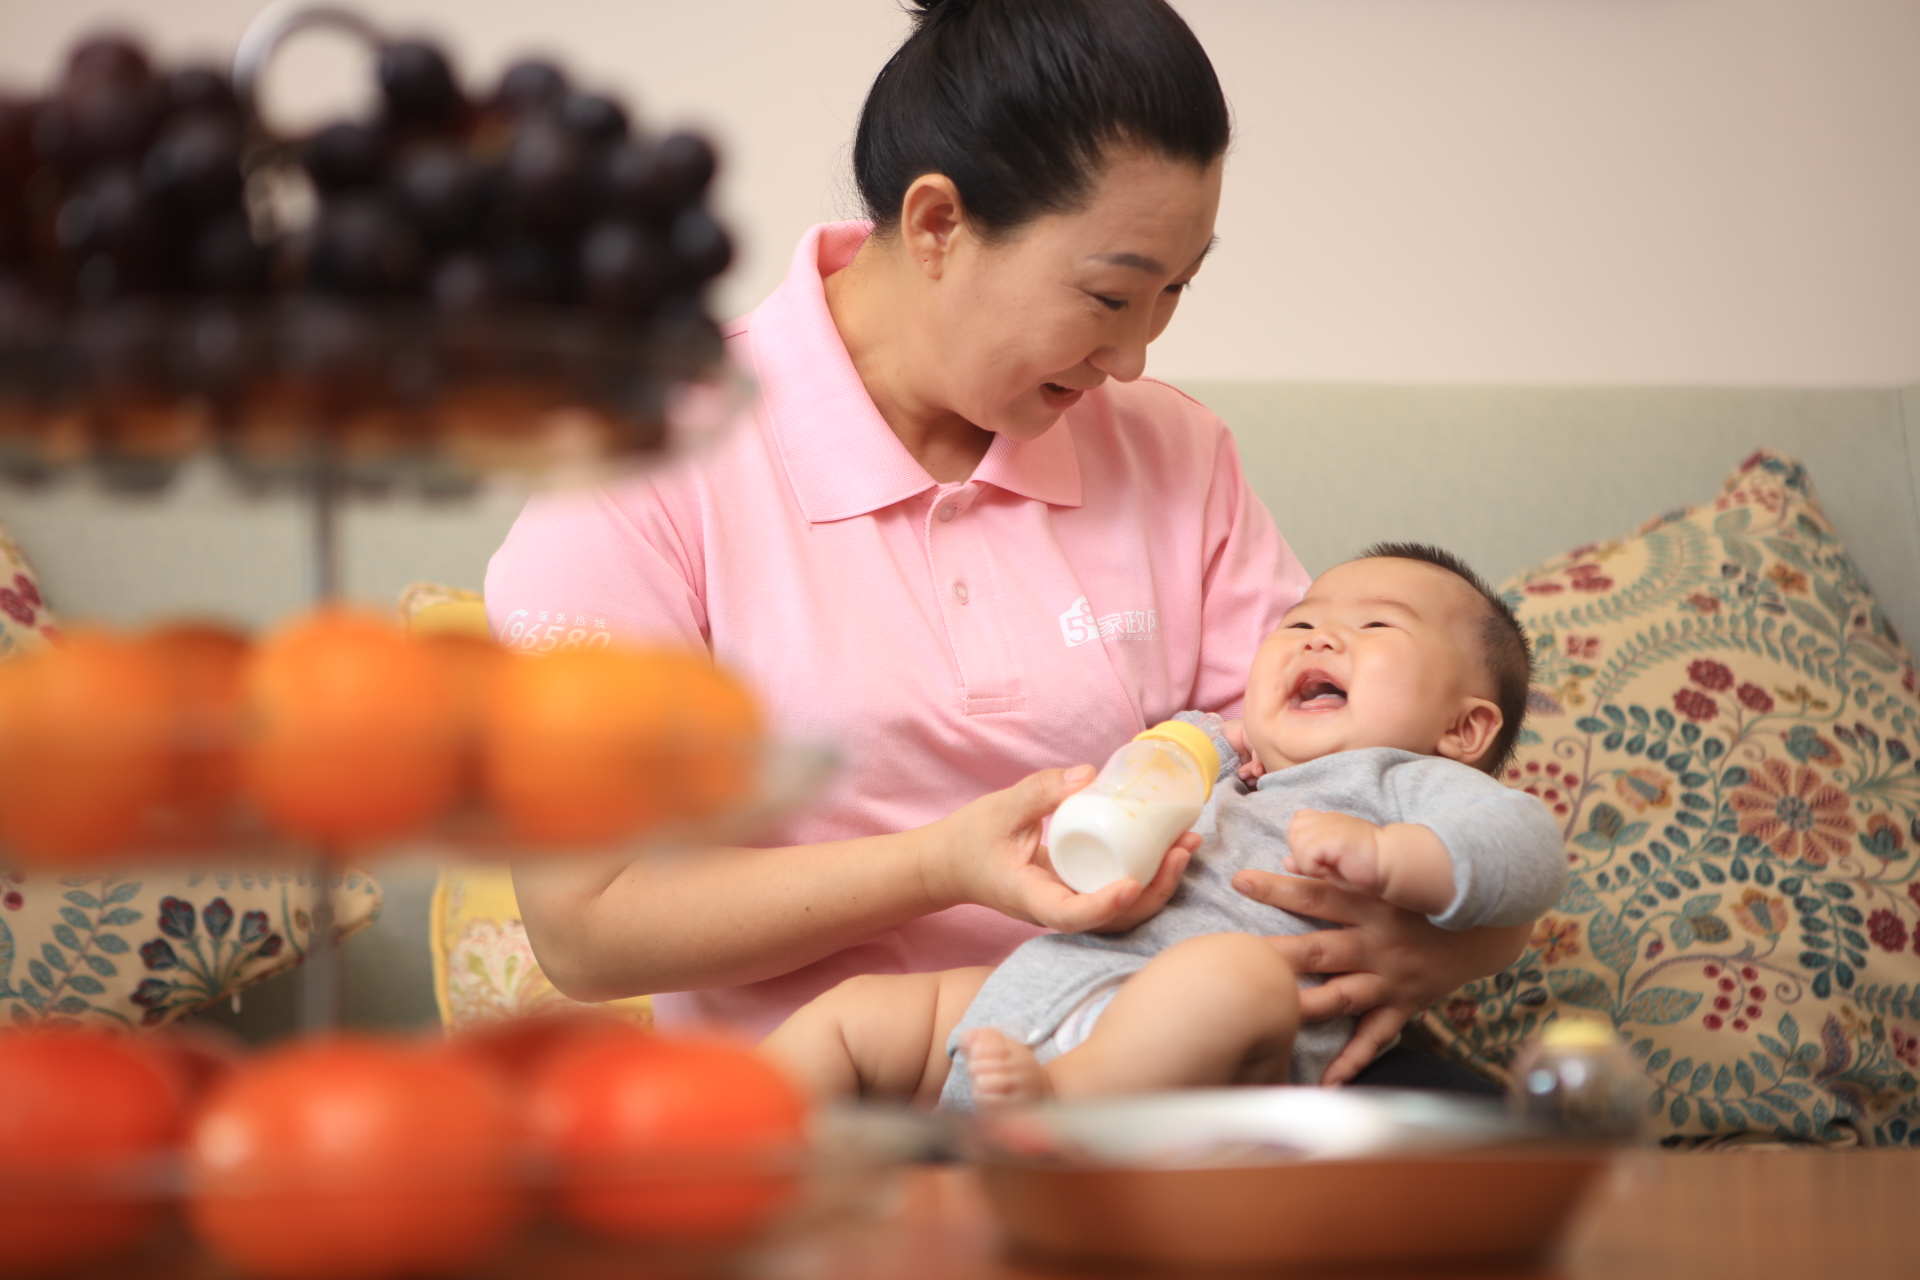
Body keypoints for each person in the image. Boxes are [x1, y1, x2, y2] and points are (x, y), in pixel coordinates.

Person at [489, 0, 1530, 1085]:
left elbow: (1389, 777)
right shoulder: (647, 459)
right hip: (853, 1093)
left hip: (1181, 1084)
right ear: (938, 223)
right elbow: (587, 925)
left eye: (1174, 293)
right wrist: (942, 864)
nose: (1131, 358)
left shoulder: (1174, 450)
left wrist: (1453, 941)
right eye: (1110, 293)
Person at [761, 547, 1567, 1108]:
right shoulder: (1219, 766)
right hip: (1031, 997)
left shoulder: (1405, 784)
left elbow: (1529, 850)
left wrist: (1395, 856)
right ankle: (722, 1143)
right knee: (862, 1014)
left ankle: (1061, 1108)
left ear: (1464, 731)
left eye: (1378, 628)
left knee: (1232, 976)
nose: (1320, 635)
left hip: (1201, 1067)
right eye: (1300, 622)